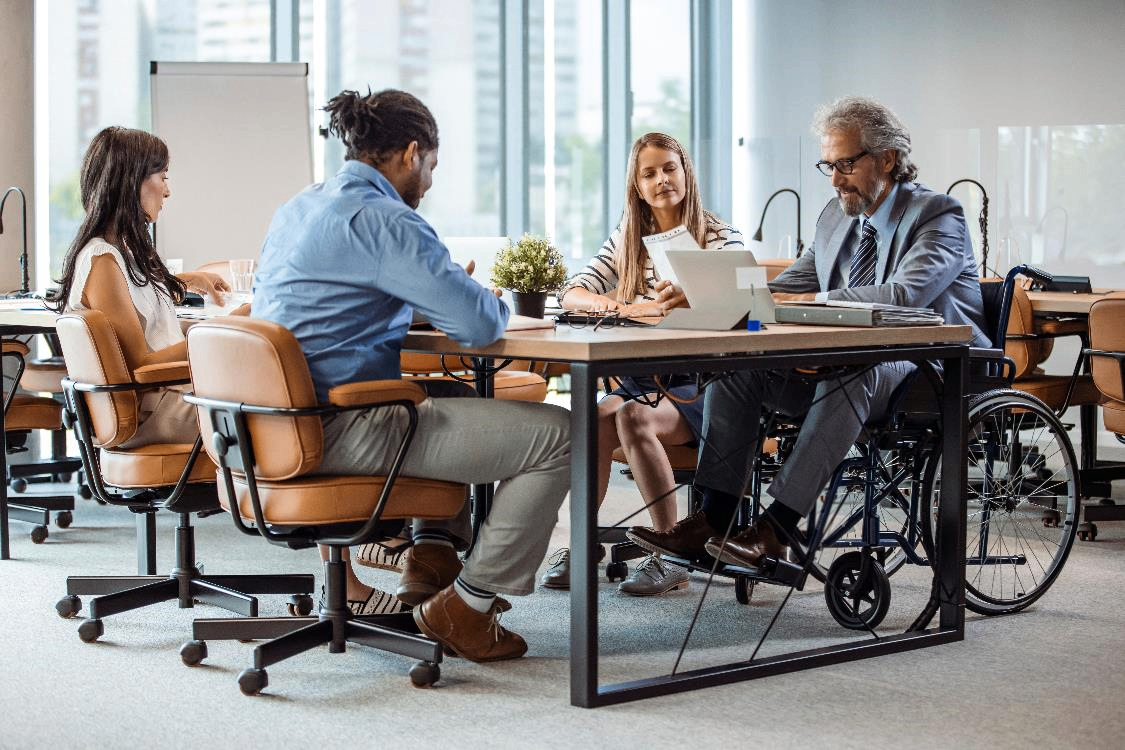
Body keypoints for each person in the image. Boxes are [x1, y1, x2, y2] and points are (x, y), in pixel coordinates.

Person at [252, 88, 571, 663]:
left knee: (441, 393)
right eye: (431, 168)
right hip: (341, 426)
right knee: (563, 436)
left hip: (272, 428)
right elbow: (477, 324)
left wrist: (414, 296)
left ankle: (431, 557)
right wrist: (482, 296)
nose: (428, 182)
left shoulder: (300, 206)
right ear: (410, 152)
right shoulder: (387, 221)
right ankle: (467, 607)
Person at [49, 126, 402, 617]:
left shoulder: (116, 254)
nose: (168, 190)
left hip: (157, 401)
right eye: (161, 176)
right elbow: (143, 365)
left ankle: (365, 540)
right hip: (152, 410)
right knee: (289, 413)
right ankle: (355, 563)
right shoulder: (105, 260)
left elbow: (143, 320)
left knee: (288, 403)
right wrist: (229, 328)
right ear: (131, 180)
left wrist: (184, 281)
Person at [628, 96, 990, 569]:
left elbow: (906, 295)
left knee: (853, 373)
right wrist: (716, 298)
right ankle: (713, 520)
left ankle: (775, 530)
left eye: (845, 164)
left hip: (930, 369)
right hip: (843, 363)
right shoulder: (835, 216)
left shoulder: (939, 214)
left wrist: (809, 303)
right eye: (828, 166)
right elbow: (789, 286)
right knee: (736, 370)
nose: (835, 179)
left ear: (887, 159)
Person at [547, 132, 744, 596]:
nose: (661, 180)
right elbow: (572, 292)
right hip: (643, 378)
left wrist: (693, 301)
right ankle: (585, 544)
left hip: (703, 385)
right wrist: (626, 308)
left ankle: (670, 554)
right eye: (649, 173)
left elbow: (743, 306)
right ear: (636, 186)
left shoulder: (718, 236)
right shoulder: (629, 238)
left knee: (633, 417)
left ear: (686, 171)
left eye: (669, 168)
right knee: (593, 417)